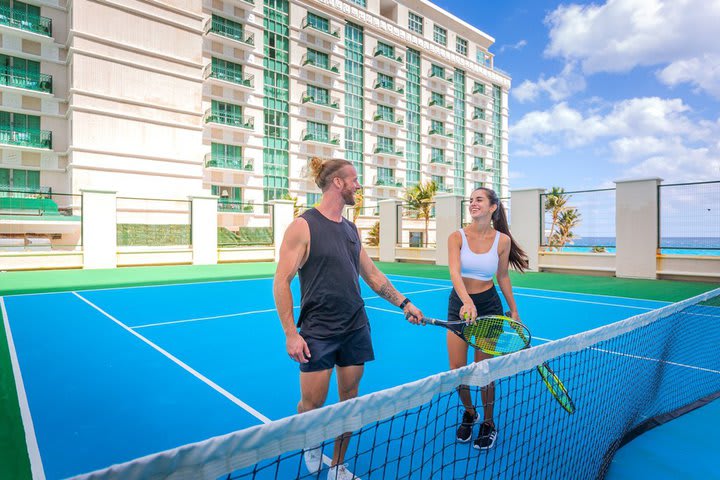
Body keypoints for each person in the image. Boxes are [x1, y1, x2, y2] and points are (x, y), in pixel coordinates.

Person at [273, 157, 424, 480]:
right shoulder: (303, 226)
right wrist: (290, 333)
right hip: (318, 331)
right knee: (311, 405)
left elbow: (372, 275)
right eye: (354, 179)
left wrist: (404, 303)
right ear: (338, 183)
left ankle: (338, 466)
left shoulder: (351, 229)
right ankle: (310, 440)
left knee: (350, 402)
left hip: (355, 326)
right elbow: (281, 280)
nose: (359, 185)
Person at [447, 186, 528, 450]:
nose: (472, 203)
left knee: (484, 372)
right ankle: (470, 412)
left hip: (489, 306)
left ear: (492, 207)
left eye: (478, 200)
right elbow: (455, 274)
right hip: (459, 305)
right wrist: (466, 301)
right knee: (458, 371)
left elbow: (502, 276)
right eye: (470, 200)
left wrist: (513, 309)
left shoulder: (502, 241)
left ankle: (489, 422)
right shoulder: (456, 237)